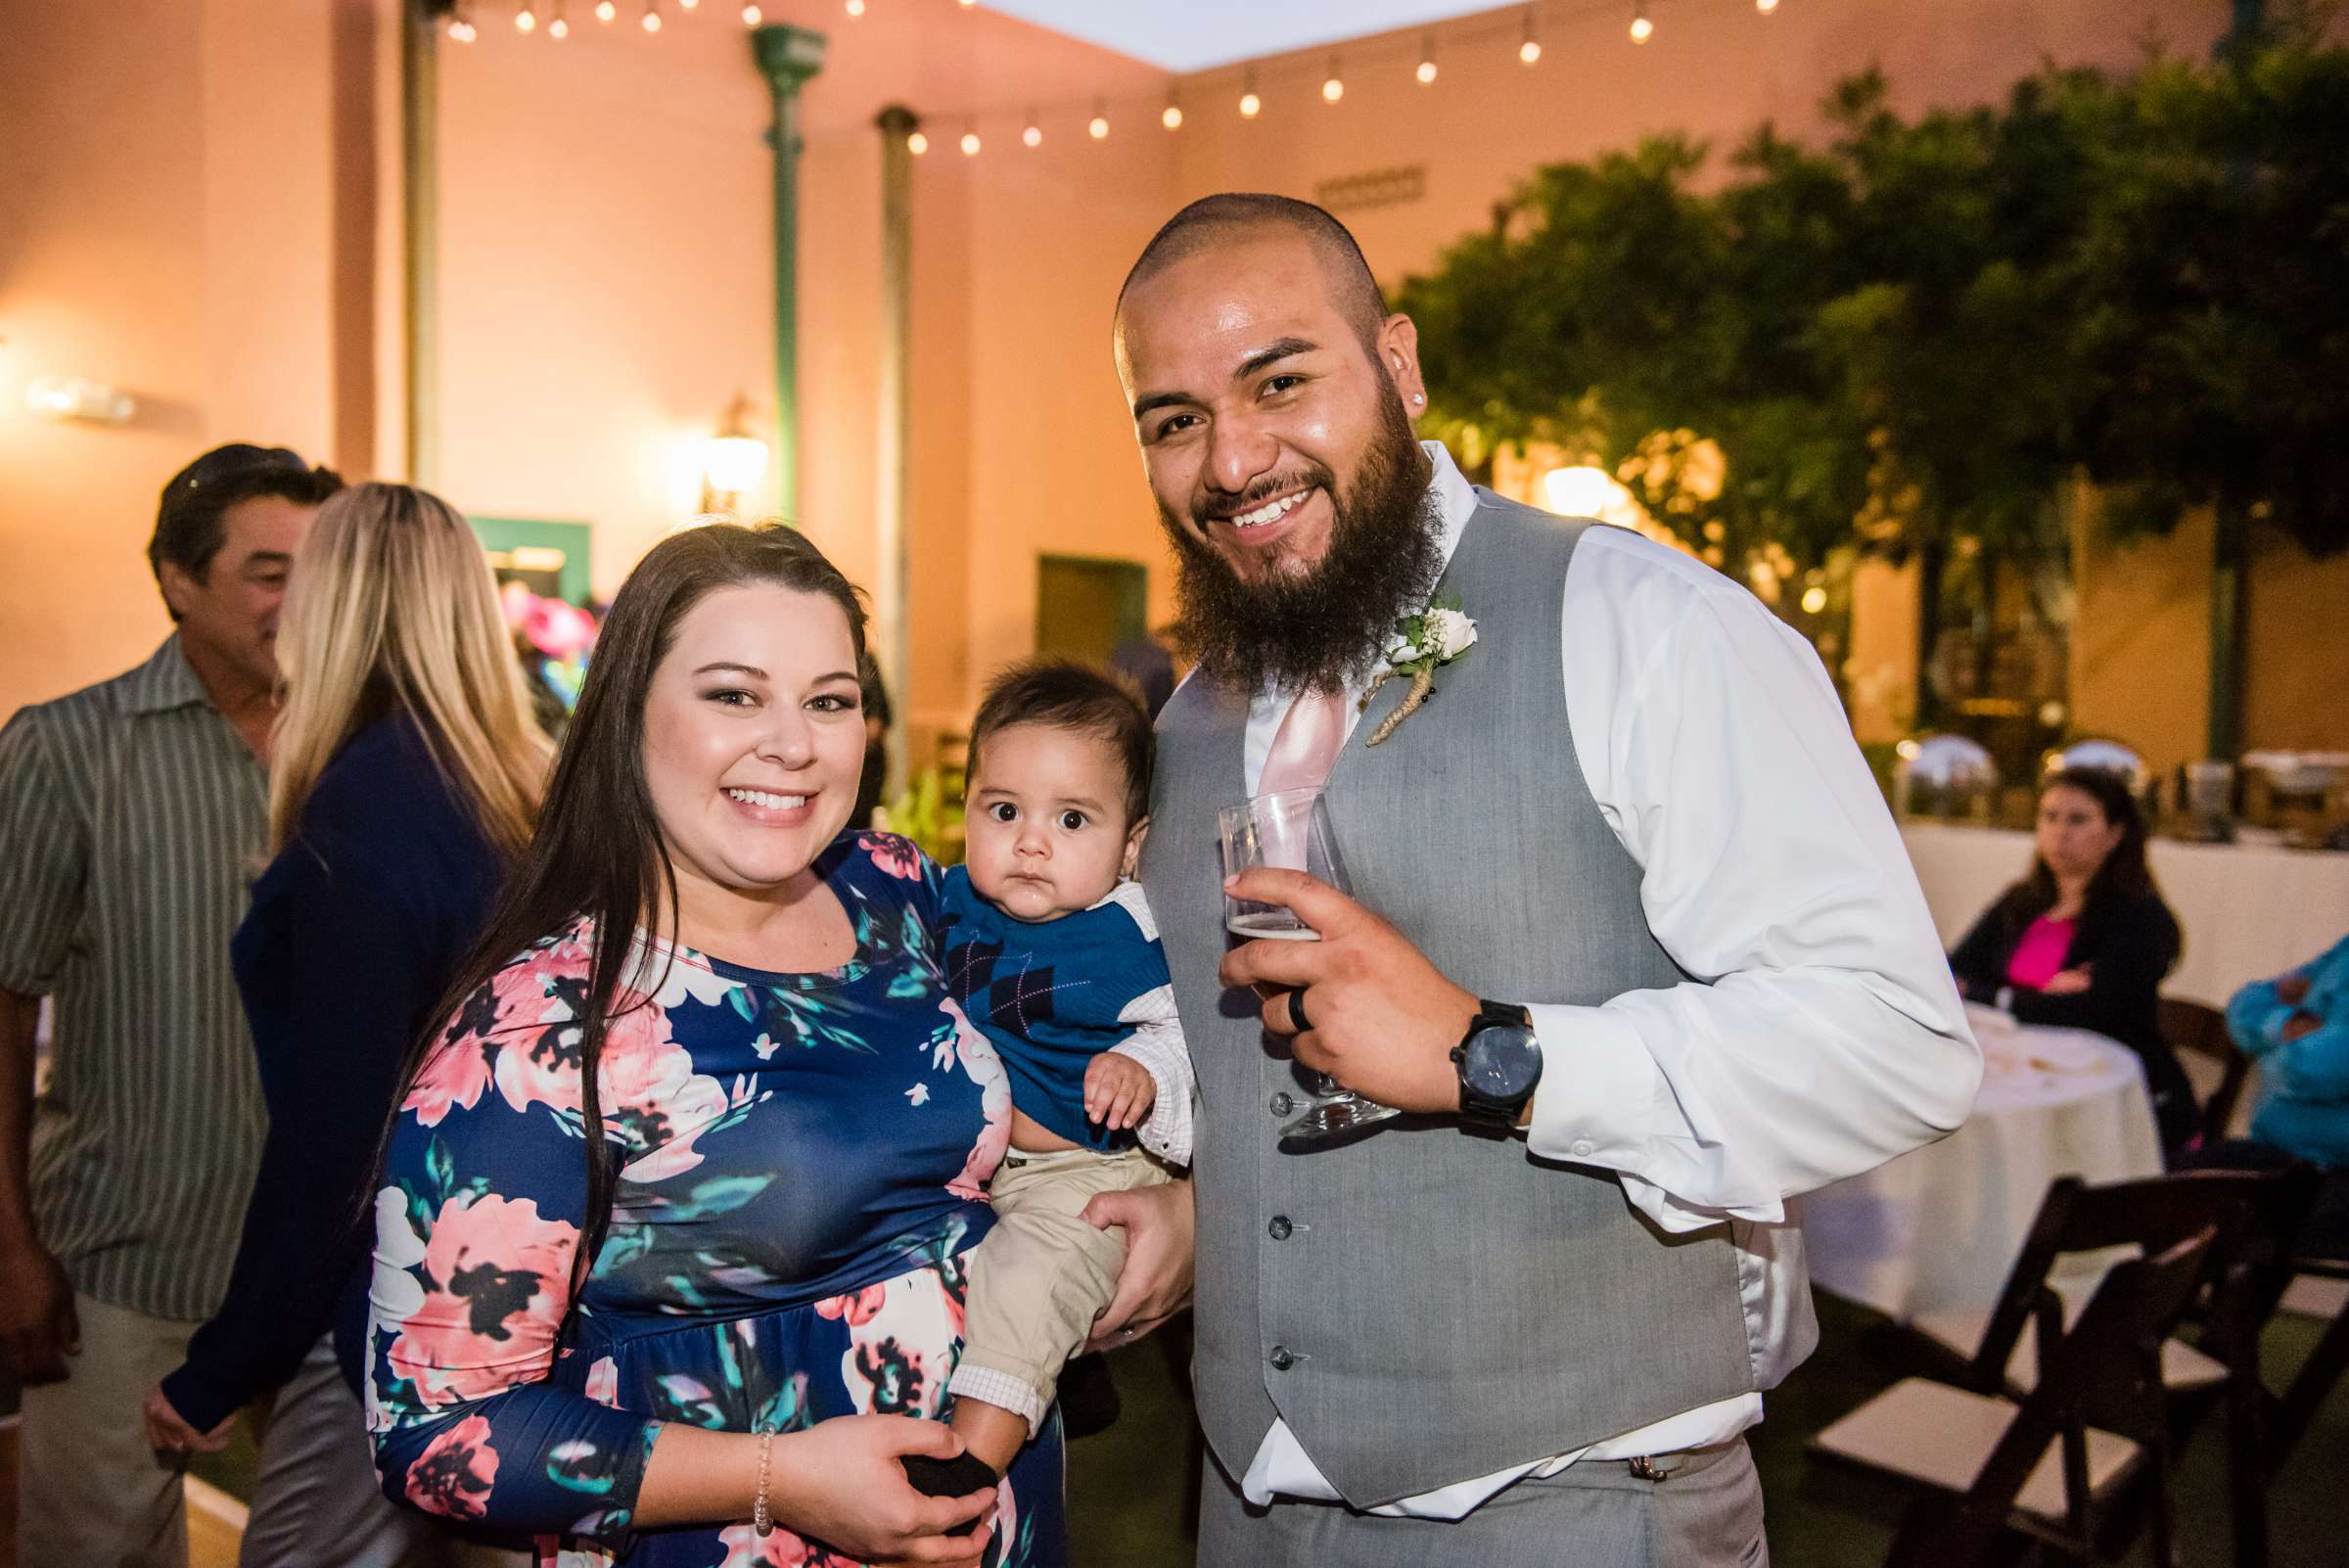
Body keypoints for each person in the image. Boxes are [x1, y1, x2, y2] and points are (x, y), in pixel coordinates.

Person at [1092, 193, 1981, 1565]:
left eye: (1280, 380)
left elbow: (1896, 1040)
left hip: (1580, 1504)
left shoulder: (1648, 626)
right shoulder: (1187, 725)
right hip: (1251, 1499)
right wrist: (1191, 1211)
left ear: (1399, 364)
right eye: (1174, 418)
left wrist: (1488, 1052)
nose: (1234, 456)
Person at [364, 523, 1055, 1567]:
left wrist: (1149, 1211)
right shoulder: (539, 1032)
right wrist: (781, 1479)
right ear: (627, 714)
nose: (794, 743)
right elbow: (434, 1435)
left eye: (830, 699)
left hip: (998, 1515)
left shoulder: (891, 891)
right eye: (734, 694)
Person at [140, 483, 553, 1564]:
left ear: (335, 608)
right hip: (521, 1287)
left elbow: (338, 1146)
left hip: (390, 1303)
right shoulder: (516, 796)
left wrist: (224, 1364)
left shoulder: (366, 815)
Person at [0, 442, 339, 1568]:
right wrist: (11, 1245)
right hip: (125, 1264)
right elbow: (5, 1003)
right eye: (266, 570)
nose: (299, 602)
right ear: (177, 580)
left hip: (323, 1273)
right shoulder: (66, 750)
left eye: (318, 569)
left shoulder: (358, 754)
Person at [935, 662, 1191, 1480]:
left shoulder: (1129, 939)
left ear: (1131, 845)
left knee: (1033, 1281)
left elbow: (1189, 1028)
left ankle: (972, 1464)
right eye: (1003, 810)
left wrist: (1140, 1064)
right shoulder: (950, 901)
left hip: (1079, 1170)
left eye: (1073, 818)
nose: (1031, 841)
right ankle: (1070, 1378)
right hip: (979, 1166)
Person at [1948, 765, 2195, 1151]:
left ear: (2115, 834)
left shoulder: (2140, 916)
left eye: (2078, 820)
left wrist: (1998, 997)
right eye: (2050, 817)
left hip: (2112, 1099)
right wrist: (2041, 1001)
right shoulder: (2021, 902)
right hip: (2017, 1071)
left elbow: (2098, 1013)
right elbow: (1952, 973)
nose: (2060, 832)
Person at [2186, 934, 2349, 1260]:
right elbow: (2249, 1001)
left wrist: (2269, 1050)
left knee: (2149, 1213)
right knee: (2142, 1189)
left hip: (2330, 1175)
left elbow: (2316, 1071)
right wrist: (2286, 1023)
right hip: (2281, 1153)